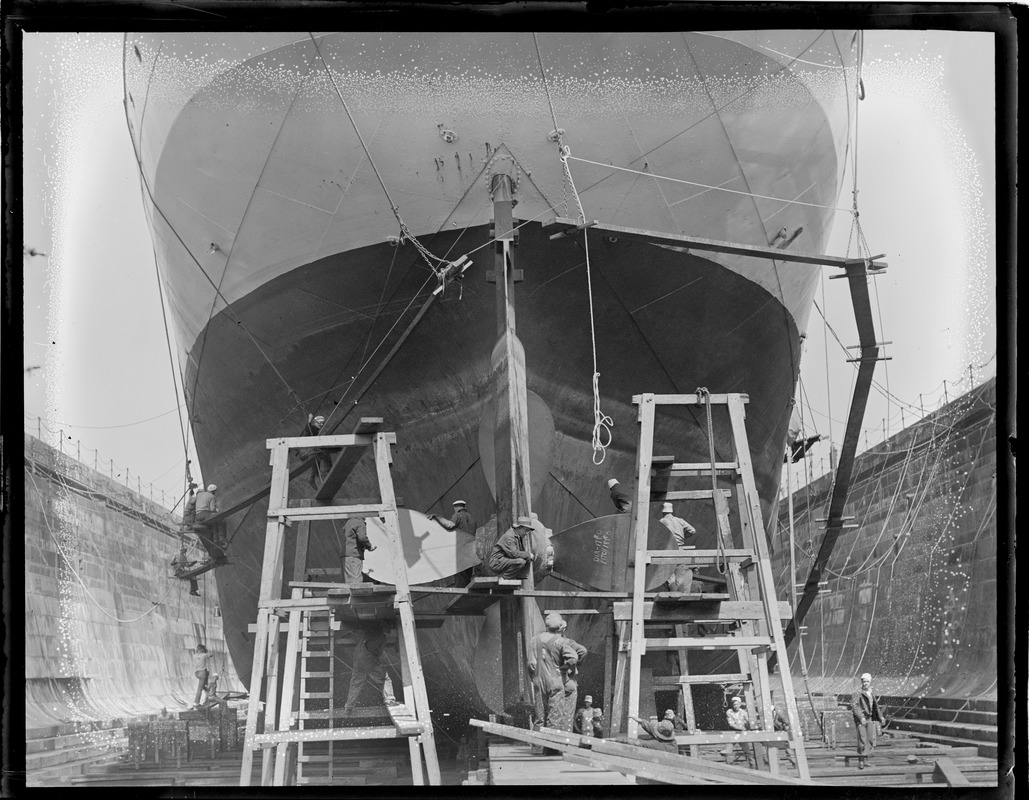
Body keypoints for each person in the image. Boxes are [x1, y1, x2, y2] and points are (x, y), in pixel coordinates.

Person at [527, 612, 587, 734]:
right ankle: (552, 750)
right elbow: (574, 657)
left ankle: (537, 748)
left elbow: (530, 664)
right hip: (556, 683)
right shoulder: (561, 641)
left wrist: (534, 678)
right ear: (560, 628)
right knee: (554, 719)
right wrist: (567, 668)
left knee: (539, 718)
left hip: (539, 682)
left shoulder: (534, 640)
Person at [343, 626, 392, 715]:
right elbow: (373, 649)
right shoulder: (381, 637)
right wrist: (378, 651)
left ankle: (349, 705)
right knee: (384, 678)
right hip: (369, 661)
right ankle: (390, 700)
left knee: (356, 684)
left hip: (358, 662)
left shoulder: (364, 633)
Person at [658, 501, 697, 593]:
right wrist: (684, 536)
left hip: (669, 550)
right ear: (671, 511)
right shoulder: (680, 520)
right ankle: (682, 597)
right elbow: (693, 530)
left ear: (663, 512)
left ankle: (673, 596)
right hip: (680, 549)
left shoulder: (662, 521)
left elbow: (657, 536)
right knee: (680, 575)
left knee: (669, 575)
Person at [851, 672, 887, 769]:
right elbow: (855, 707)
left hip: (870, 719)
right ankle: (861, 761)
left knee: (870, 740)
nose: (865, 683)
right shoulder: (857, 693)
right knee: (862, 740)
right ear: (861, 682)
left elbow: (876, 707)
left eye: (867, 682)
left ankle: (866, 759)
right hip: (861, 720)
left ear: (870, 682)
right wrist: (861, 717)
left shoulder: (871, 694)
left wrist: (881, 717)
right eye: (863, 681)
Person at [194, 484, 227, 561]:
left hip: (198, 516)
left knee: (212, 524)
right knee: (221, 519)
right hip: (205, 514)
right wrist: (217, 511)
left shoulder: (200, 495)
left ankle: (215, 541)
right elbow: (212, 509)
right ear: (214, 491)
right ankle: (222, 539)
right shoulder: (212, 497)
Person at [299, 414, 333, 488]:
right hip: (305, 452)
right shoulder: (312, 429)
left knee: (317, 457)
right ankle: (328, 470)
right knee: (325, 452)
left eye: (322, 424)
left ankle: (312, 477)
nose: (321, 425)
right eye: (320, 423)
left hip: (305, 452)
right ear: (315, 422)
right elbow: (307, 428)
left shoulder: (315, 431)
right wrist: (309, 419)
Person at [611, 716, 678, 753]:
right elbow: (652, 729)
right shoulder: (673, 742)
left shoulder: (655, 744)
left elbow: (636, 742)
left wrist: (616, 740)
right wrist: (641, 721)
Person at [725, 696, 757, 768]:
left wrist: (750, 725)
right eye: (734, 704)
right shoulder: (729, 712)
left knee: (747, 750)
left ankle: (753, 765)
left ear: (740, 704)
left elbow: (749, 721)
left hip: (742, 734)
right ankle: (729, 766)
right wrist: (741, 728)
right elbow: (731, 724)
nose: (735, 706)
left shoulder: (743, 712)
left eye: (736, 704)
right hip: (732, 733)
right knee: (727, 750)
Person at [343, 516, 376, 585]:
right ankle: (356, 595)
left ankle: (351, 595)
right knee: (356, 581)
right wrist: (369, 546)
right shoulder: (360, 523)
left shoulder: (349, 522)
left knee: (349, 581)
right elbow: (362, 537)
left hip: (345, 554)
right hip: (354, 554)